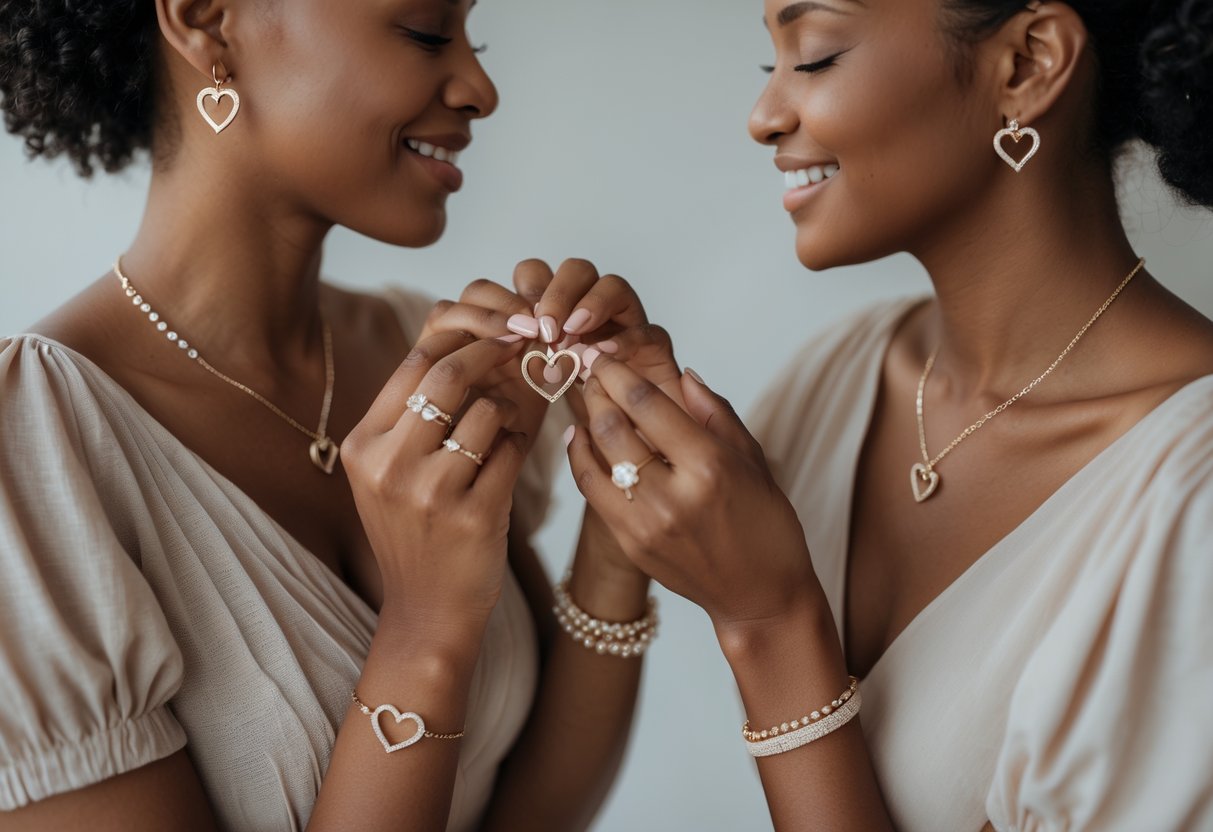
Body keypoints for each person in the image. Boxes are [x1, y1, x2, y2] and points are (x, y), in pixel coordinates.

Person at [525, 0, 1213, 829]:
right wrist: (619, 468)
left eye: (812, 58)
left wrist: (770, 626)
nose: (763, 115)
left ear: (1027, 64)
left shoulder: (1190, 501)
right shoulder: (843, 375)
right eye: (766, 66)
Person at [0, 1, 656, 830]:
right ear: (207, 23)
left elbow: (532, 811)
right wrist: (423, 632)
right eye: (424, 30)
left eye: (472, 35)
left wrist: (618, 530)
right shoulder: (28, 449)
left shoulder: (419, 355)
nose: (481, 88)